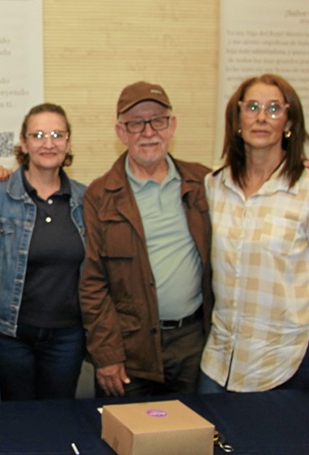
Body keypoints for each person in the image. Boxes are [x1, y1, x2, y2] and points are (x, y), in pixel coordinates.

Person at [199, 74, 309, 393]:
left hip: (288, 359)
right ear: (237, 120)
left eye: (273, 109)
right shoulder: (214, 185)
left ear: (289, 121)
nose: (261, 117)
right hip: (221, 359)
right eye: (252, 107)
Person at [80, 82, 213, 397]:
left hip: (194, 344)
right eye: (136, 123)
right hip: (130, 349)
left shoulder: (205, 183)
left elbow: (254, 190)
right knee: (128, 440)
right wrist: (107, 355)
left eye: (157, 120)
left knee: (191, 438)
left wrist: (297, 168)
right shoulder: (100, 195)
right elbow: (93, 284)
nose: (148, 131)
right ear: (121, 132)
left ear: (172, 126)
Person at [0, 103, 88, 400]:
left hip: (67, 337)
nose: (48, 143)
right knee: (15, 422)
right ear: (24, 142)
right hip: (10, 335)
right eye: (38, 134)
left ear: (68, 143)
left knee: (58, 418)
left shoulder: (85, 199)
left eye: (57, 134)